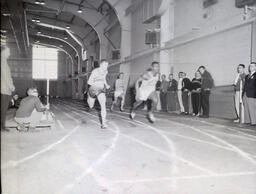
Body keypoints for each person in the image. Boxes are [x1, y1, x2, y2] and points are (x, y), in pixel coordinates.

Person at [87, 59, 110, 129]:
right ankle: (89, 96)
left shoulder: (106, 71)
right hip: (93, 89)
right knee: (91, 106)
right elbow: (89, 82)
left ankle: (103, 123)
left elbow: (104, 78)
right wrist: (90, 89)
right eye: (104, 65)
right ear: (101, 65)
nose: (106, 67)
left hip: (101, 89)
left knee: (103, 105)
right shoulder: (95, 71)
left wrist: (106, 85)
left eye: (107, 65)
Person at [1, 45, 15, 132]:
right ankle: (2, 127)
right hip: (4, 89)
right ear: (3, 52)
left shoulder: (3, 61)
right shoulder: (2, 62)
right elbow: (6, 76)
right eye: (8, 51)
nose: (9, 53)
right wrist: (11, 86)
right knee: (3, 109)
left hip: (4, 89)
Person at [243, 62, 256, 126]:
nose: (250, 67)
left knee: (252, 108)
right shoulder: (247, 76)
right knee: (246, 108)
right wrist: (243, 94)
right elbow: (245, 85)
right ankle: (247, 121)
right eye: (250, 66)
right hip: (246, 93)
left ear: (255, 67)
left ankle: (254, 122)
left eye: (252, 66)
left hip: (252, 94)